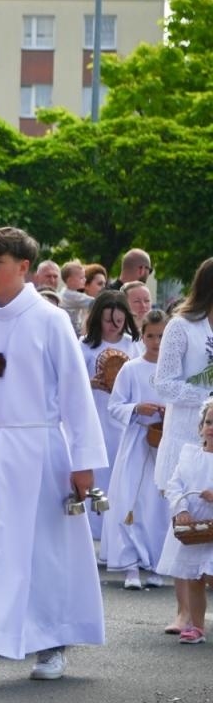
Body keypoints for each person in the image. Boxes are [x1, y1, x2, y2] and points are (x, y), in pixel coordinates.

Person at [0, 227, 107, 686]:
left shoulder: (50, 321)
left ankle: (51, 640)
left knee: (43, 552)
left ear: (24, 267)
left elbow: (75, 391)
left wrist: (83, 460)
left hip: (41, 448)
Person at [152, 257, 213, 636]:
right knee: (185, 521)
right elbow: (164, 383)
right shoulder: (181, 327)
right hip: (187, 436)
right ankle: (183, 613)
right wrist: (208, 395)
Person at [102, 310, 170, 592]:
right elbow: (114, 406)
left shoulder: (173, 371)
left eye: (162, 336)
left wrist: (169, 414)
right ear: (142, 337)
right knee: (130, 499)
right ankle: (130, 564)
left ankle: (155, 564)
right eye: (151, 336)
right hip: (136, 442)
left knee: (157, 505)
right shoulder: (131, 369)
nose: (156, 342)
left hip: (163, 443)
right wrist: (136, 409)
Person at [156, 398, 213, 644]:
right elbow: (175, 484)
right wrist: (181, 508)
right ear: (201, 426)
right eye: (209, 421)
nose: (211, 427)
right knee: (194, 579)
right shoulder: (190, 454)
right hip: (194, 528)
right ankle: (196, 626)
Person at [80, 289, 141, 472]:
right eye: (108, 321)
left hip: (123, 418)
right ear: (98, 317)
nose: (113, 326)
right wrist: (90, 383)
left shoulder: (132, 345)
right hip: (95, 416)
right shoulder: (85, 345)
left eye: (119, 321)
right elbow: (73, 381)